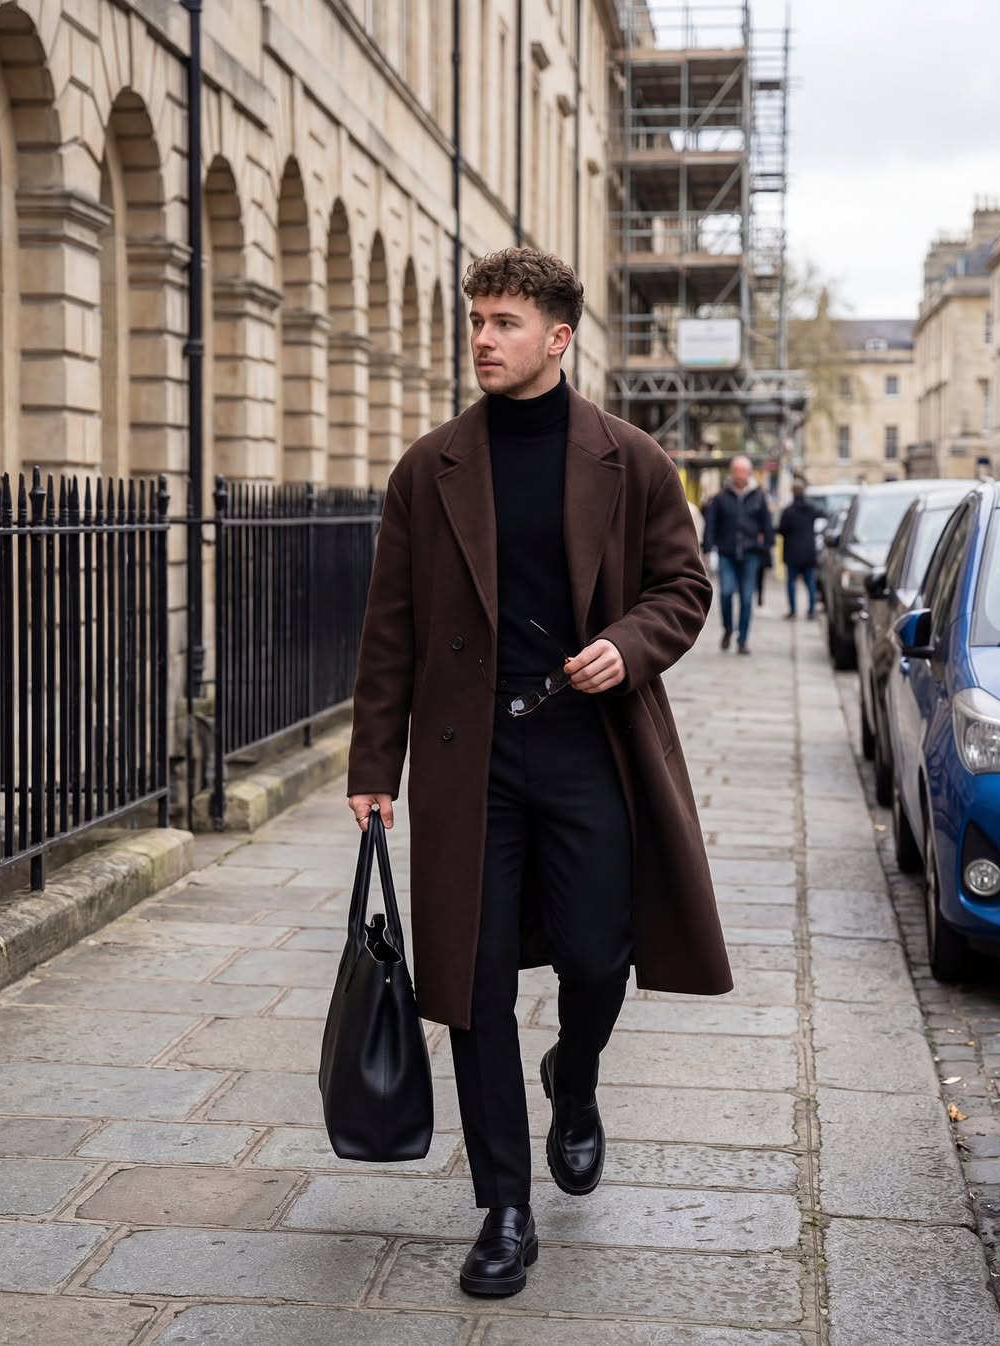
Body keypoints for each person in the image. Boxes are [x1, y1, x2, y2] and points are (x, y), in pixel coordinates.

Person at [346, 247, 732, 1299]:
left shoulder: (630, 457)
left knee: (599, 955)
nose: (483, 337)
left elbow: (682, 587)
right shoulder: (429, 468)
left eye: (505, 321)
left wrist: (631, 642)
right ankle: (505, 1206)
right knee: (468, 982)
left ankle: (577, 1075)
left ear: (558, 338)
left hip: (587, 744)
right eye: (478, 319)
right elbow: (390, 630)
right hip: (472, 759)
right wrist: (374, 761)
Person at [701, 455, 774, 654]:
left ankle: (742, 639)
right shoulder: (721, 498)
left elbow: (767, 524)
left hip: (751, 554)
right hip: (727, 552)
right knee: (725, 593)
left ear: (749, 473)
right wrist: (708, 548)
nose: (739, 475)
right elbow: (711, 524)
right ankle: (727, 628)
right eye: (736, 471)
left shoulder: (758, 497)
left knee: (747, 598)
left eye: (743, 471)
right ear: (732, 473)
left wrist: (767, 546)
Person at [778, 478, 823, 619]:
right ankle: (811, 610)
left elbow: (781, 530)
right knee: (809, 582)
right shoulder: (812, 509)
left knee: (791, 583)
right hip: (808, 552)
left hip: (792, 552)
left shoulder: (788, 511)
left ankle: (793, 610)